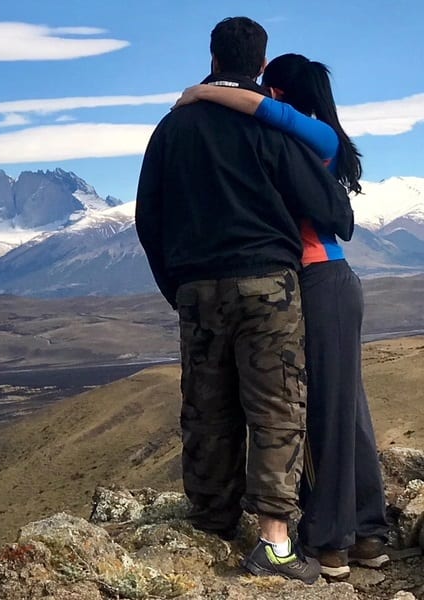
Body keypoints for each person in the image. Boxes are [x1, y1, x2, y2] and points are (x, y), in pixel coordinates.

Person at [136, 17, 355, 584]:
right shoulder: (272, 130)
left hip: (196, 288)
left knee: (205, 406)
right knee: (277, 406)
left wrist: (176, 287)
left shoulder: (171, 129)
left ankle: (210, 522)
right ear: (261, 65)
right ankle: (275, 544)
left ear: (212, 58)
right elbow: (332, 211)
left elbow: (147, 218)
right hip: (268, 284)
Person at [173, 53, 390, 580]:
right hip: (331, 282)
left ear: (283, 92)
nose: (263, 95)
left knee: (317, 414)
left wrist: (202, 93)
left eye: (270, 88)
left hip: (315, 283)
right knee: (347, 410)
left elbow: (255, 105)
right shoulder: (316, 139)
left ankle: (328, 543)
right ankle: (368, 534)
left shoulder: (309, 134)